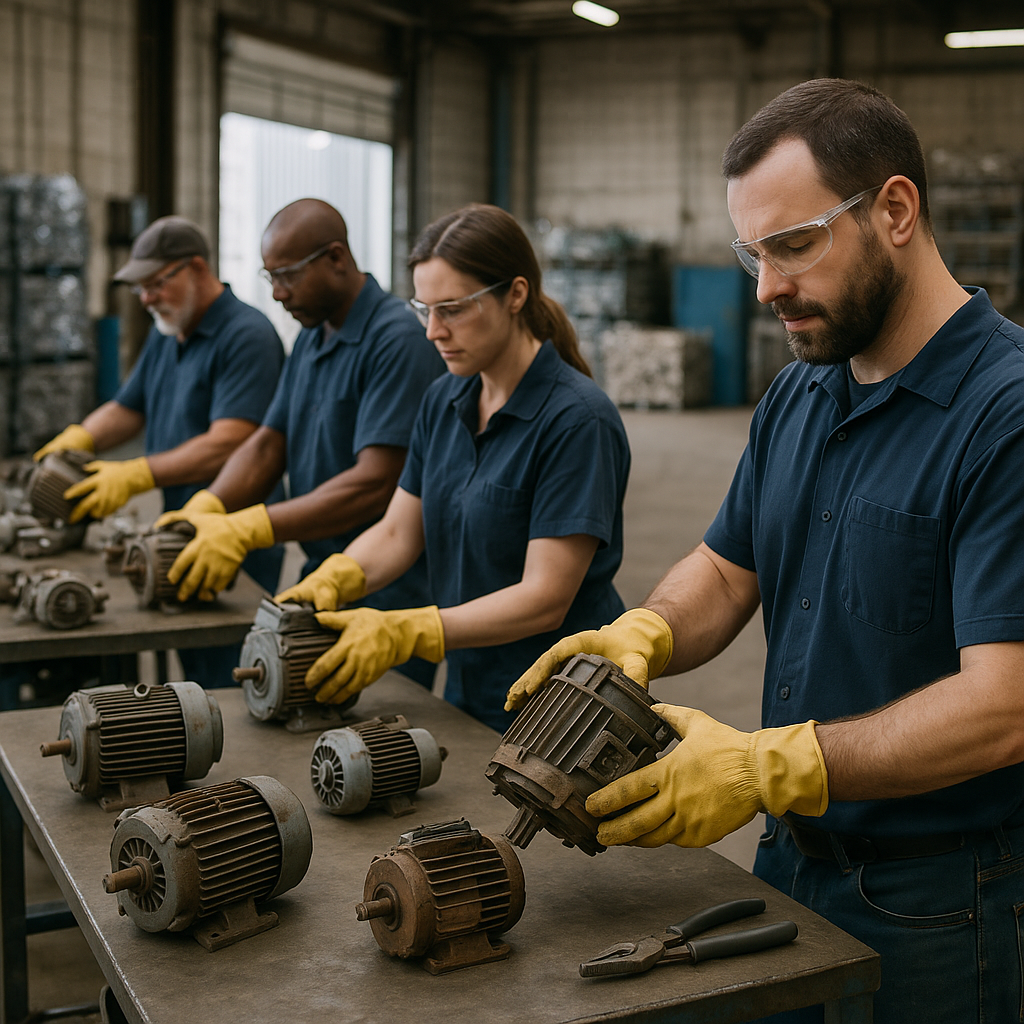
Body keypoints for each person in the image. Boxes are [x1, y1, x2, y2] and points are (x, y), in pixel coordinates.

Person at [507, 79, 1024, 1024]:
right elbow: (726, 567)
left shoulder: (1006, 416)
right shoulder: (802, 393)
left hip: (941, 906)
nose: (765, 288)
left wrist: (765, 767)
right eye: (752, 252)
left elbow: (1006, 704)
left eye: (793, 245)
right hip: (786, 869)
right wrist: (643, 635)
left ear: (896, 211)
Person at [275, 203, 631, 731]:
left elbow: (544, 599)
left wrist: (407, 631)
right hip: (471, 681)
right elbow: (398, 532)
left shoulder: (577, 420)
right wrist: (338, 577)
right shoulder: (444, 399)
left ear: (515, 294)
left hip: (565, 704)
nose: (433, 331)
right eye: (424, 309)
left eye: (454, 309)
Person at [156, 199, 445, 688]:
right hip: (321, 573)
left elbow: (375, 484)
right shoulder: (312, 337)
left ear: (336, 257)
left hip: (387, 588)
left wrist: (251, 528)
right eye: (270, 278)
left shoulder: (397, 339)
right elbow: (269, 442)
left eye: (287, 276)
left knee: (375, 746)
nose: (278, 294)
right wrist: (209, 506)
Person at [34, 215, 287, 687]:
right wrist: (80, 438)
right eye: (140, 289)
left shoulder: (246, 335)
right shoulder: (168, 333)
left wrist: (134, 475)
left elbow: (231, 441)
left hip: (233, 539)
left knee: (227, 676)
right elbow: (129, 408)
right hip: (179, 526)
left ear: (195, 267)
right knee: (188, 669)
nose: (146, 299)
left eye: (155, 284)